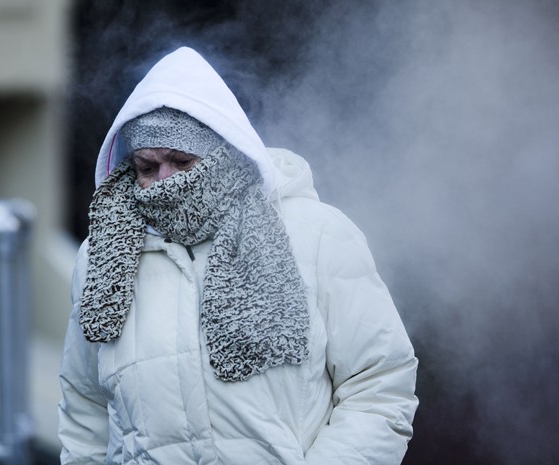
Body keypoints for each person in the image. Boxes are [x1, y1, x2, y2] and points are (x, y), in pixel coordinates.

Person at [58, 46, 418, 465]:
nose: (164, 181)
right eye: (146, 166)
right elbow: (85, 414)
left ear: (223, 150)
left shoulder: (316, 235)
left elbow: (378, 387)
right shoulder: (103, 259)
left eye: (182, 160)